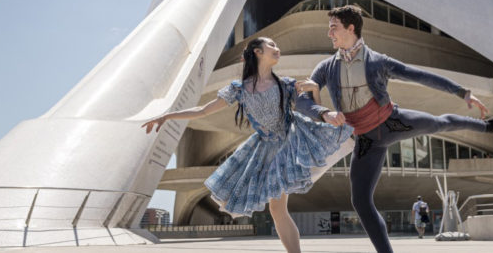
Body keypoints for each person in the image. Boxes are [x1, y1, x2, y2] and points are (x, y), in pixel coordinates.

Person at [296, 5, 493, 253]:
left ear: (351, 28)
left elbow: (420, 76)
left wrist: (463, 93)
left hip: (392, 122)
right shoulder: (326, 67)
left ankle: (484, 127)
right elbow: (302, 99)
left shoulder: (378, 62)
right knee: (360, 201)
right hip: (366, 140)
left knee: (438, 123)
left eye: (333, 28)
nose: (329, 34)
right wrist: (324, 112)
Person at [142, 37, 352, 253]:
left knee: (278, 209)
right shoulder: (239, 89)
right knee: (277, 210)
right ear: (257, 52)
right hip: (264, 150)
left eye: (277, 45)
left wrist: (315, 91)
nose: (277, 48)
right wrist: (167, 116)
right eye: (271, 45)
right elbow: (203, 111)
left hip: (290, 142)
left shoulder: (286, 85)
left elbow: (310, 109)